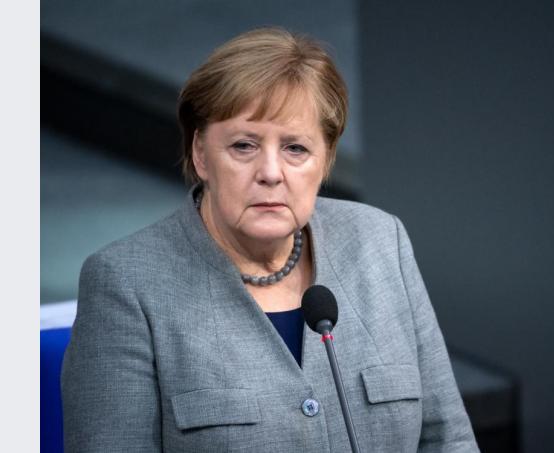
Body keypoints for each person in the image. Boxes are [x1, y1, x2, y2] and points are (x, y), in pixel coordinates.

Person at [61, 27, 479, 452]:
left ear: (326, 159)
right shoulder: (127, 283)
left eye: (296, 149)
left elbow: (449, 440)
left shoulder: (380, 241)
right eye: (244, 146)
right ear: (201, 154)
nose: (271, 173)